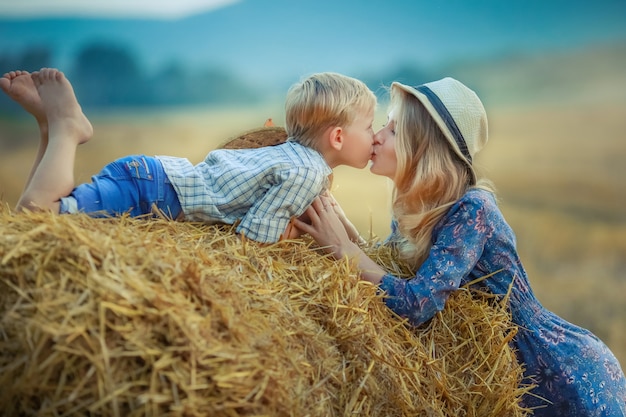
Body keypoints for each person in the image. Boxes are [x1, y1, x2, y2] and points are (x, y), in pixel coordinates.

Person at [294, 77, 626, 415]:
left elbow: (416, 303)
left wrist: (345, 250)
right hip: (509, 377)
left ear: (424, 148)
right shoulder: (413, 211)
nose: (377, 136)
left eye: (393, 131)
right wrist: (345, 233)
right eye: (384, 125)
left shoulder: (472, 210)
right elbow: (388, 275)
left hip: (561, 376)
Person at [0, 68, 376, 243]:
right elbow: (253, 240)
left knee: (38, 230)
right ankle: (68, 126)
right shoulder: (307, 172)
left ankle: (49, 130)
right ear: (338, 136)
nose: (375, 136)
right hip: (152, 194)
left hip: (149, 179)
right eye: (370, 125)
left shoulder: (291, 155)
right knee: (38, 216)